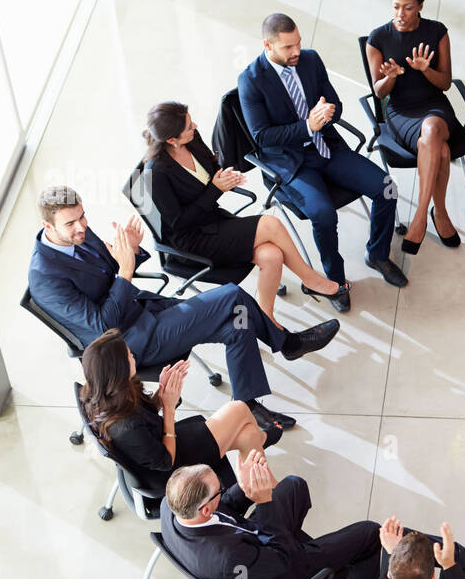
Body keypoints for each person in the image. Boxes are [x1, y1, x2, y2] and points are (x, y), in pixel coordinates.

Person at [28, 186, 337, 432]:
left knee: (236, 324)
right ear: (47, 225)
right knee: (231, 296)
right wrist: (125, 271)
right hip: (129, 344)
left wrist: (132, 249)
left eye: (82, 217)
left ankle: (246, 405)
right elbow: (101, 328)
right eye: (71, 222)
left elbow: (108, 269)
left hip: (146, 309)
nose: (81, 226)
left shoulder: (77, 232)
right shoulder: (45, 278)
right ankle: (288, 344)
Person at [237, 12, 407, 312]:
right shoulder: (251, 80)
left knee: (387, 188)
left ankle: (378, 254)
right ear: (268, 45)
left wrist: (328, 112)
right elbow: (261, 136)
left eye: (298, 43)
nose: (296, 51)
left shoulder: (311, 60)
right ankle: (335, 280)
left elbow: (336, 103)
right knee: (324, 215)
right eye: (288, 47)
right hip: (292, 162)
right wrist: (307, 126)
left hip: (326, 146)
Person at [138, 101, 347, 327]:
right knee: (270, 224)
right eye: (189, 127)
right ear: (172, 140)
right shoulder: (156, 173)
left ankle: (266, 320)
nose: (195, 126)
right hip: (190, 240)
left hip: (212, 219)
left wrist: (224, 176)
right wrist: (215, 190)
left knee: (272, 256)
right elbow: (179, 223)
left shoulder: (191, 139)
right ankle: (311, 280)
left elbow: (211, 166)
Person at [162, 454, 382, 579]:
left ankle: (308, 545)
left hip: (253, 550)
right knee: (370, 533)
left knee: (295, 486)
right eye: (219, 488)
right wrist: (264, 502)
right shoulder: (229, 559)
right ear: (205, 508)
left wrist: (243, 485)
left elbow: (225, 509)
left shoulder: (172, 506)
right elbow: (281, 557)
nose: (223, 489)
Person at [80, 328, 271, 491]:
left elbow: (146, 415)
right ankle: (262, 458)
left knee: (248, 435)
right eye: (129, 356)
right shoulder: (125, 428)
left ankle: (262, 483)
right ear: (118, 370)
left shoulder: (110, 392)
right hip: (170, 470)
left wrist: (162, 393)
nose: (133, 356)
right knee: (239, 408)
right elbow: (166, 462)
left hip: (160, 442)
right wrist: (169, 408)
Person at [365, 0, 465, 255]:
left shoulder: (437, 32)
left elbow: (445, 82)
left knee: (433, 131)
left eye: (408, 8)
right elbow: (379, 92)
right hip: (401, 112)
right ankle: (440, 214)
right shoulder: (378, 39)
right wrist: (390, 78)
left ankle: (420, 216)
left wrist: (425, 69)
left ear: (420, 6)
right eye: (396, 7)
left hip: (434, 105)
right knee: (441, 150)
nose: (400, 14)